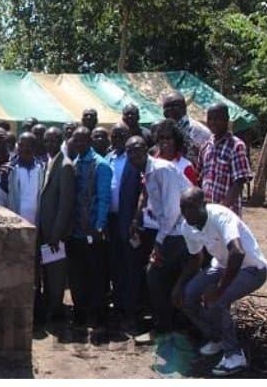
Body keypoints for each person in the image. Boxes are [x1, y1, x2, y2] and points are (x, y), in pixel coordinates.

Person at [175, 187, 267, 376]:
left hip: (252, 269)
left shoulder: (220, 216)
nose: (186, 213)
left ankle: (235, 355)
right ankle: (218, 337)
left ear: (203, 205)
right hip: (221, 266)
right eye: (183, 208)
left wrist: (218, 289)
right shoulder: (187, 226)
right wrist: (179, 285)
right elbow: (196, 258)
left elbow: (237, 252)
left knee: (218, 300)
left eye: (191, 207)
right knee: (188, 296)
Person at [125, 135, 192, 343]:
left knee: (154, 275)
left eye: (137, 149)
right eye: (129, 152)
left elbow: (172, 210)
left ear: (146, 149)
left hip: (180, 232)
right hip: (171, 231)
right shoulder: (148, 172)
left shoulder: (162, 169)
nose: (133, 155)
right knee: (165, 278)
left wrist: (159, 241)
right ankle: (169, 325)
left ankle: (163, 328)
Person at [67, 126, 112, 327]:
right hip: (75, 231)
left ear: (89, 141)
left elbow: (104, 198)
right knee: (77, 275)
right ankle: (80, 312)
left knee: (95, 275)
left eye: (82, 140)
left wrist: (99, 225)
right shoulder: (74, 163)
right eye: (76, 140)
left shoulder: (100, 165)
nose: (79, 144)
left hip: (93, 231)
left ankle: (96, 314)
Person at [35, 127, 75, 324]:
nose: (49, 144)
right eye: (46, 141)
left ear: (60, 142)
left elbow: (65, 204)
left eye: (53, 141)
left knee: (56, 274)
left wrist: (56, 234)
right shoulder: (48, 162)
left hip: (55, 232)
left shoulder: (65, 166)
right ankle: (50, 308)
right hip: (45, 228)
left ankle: (56, 313)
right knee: (48, 272)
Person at [104, 123, 142, 328]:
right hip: (110, 220)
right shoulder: (108, 158)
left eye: (121, 135)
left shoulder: (134, 159)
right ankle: (117, 305)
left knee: (130, 265)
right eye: (114, 135)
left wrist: (135, 219)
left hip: (128, 220)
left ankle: (130, 310)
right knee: (114, 264)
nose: (117, 139)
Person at [198, 103, 253, 217]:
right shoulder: (205, 146)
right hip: (207, 210)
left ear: (226, 120)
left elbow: (239, 181)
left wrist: (223, 208)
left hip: (227, 212)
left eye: (217, 118)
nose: (213, 122)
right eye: (210, 119)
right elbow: (199, 176)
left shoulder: (236, 145)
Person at [162, 91, 211, 164]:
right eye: (166, 106)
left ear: (184, 107)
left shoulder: (198, 130)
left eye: (174, 105)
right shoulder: (163, 130)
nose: (169, 109)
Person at [154, 119, 198, 185]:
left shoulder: (185, 166)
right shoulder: (152, 164)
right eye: (161, 138)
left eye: (168, 138)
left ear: (176, 140)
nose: (164, 141)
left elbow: (194, 190)